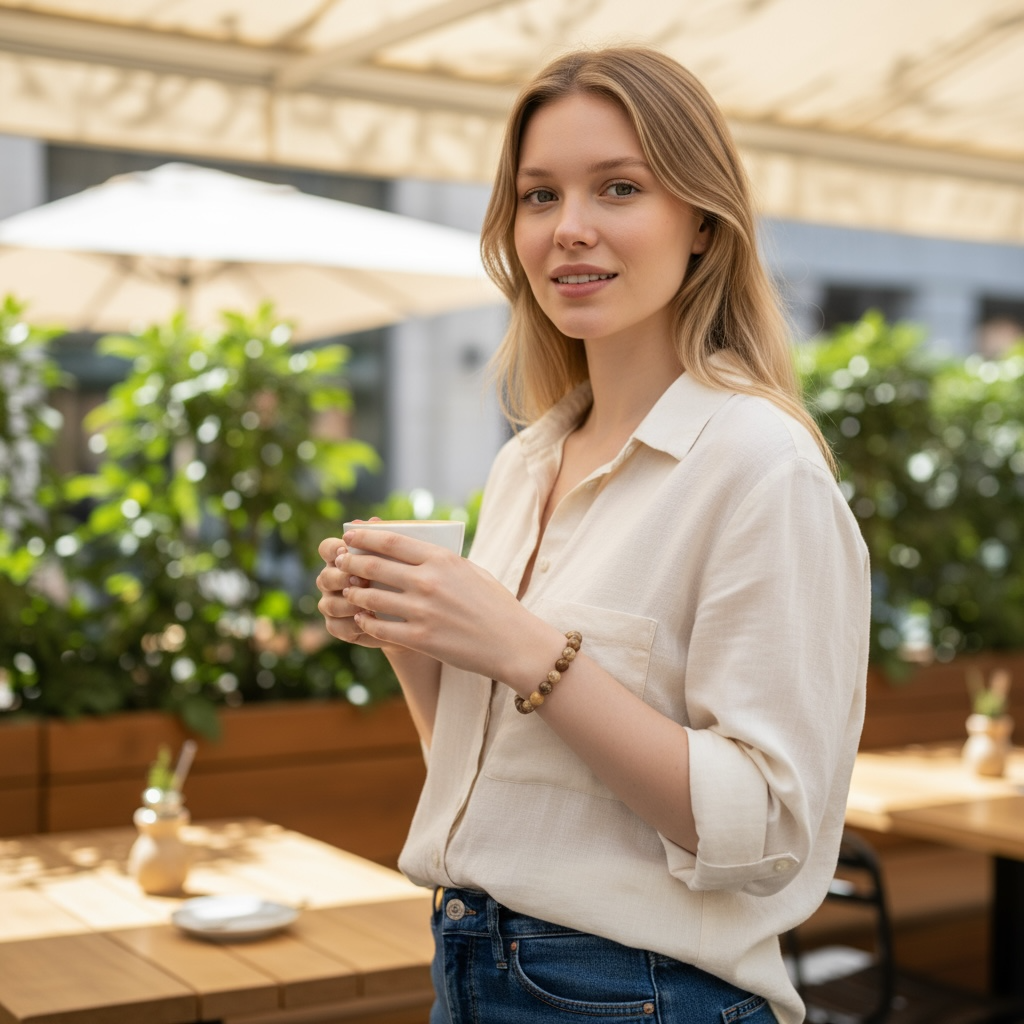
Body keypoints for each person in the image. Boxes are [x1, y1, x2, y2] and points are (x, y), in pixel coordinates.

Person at [316, 45, 869, 1024]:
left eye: (617, 187)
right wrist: (412, 629)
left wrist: (524, 645)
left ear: (700, 221)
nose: (568, 229)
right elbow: (500, 772)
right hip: (471, 960)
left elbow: (767, 825)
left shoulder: (758, 466)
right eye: (538, 196)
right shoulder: (529, 460)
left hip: (640, 994)